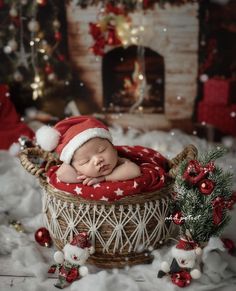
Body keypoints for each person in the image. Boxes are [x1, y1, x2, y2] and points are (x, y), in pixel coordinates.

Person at [36, 116, 141, 186]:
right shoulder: (80, 173)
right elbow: (61, 174)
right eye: (85, 161)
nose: (98, 160)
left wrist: (104, 178)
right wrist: (81, 172)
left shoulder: (118, 161)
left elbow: (134, 170)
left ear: (114, 149)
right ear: (76, 169)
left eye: (102, 150)